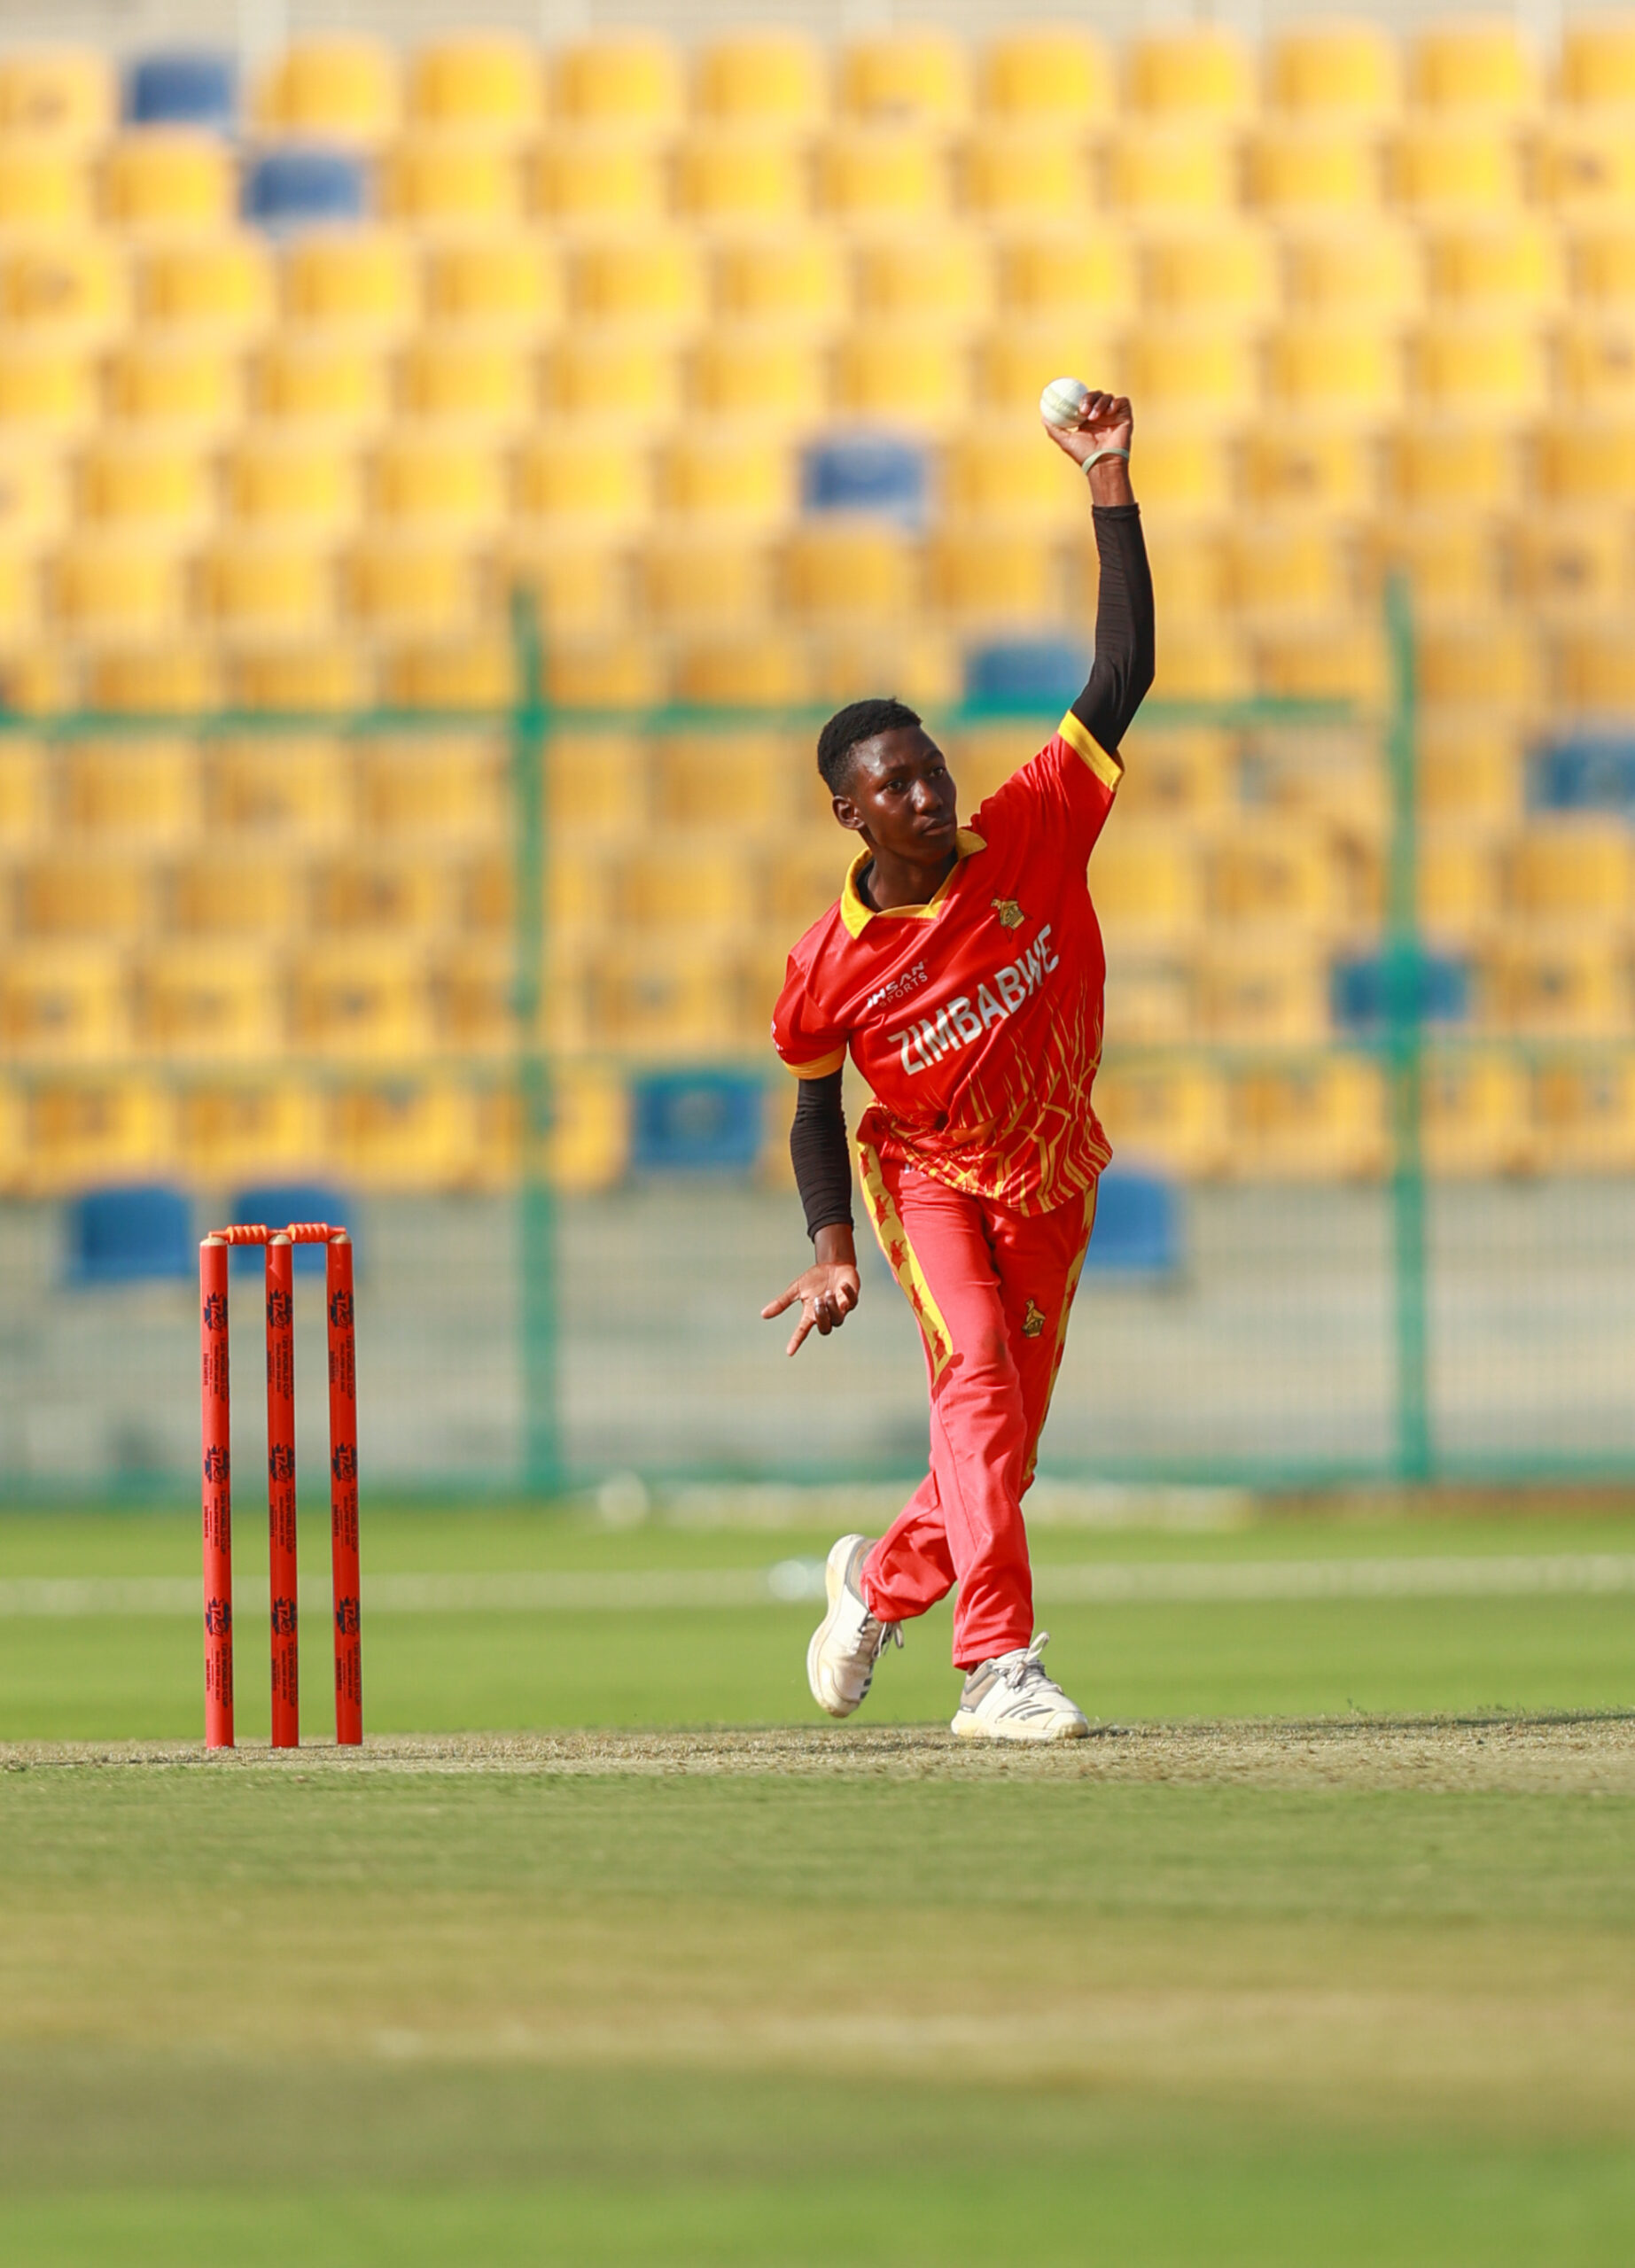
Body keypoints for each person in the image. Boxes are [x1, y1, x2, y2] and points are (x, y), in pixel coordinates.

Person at [761, 390, 1155, 1743]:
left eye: (932, 770)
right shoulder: (828, 961)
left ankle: (877, 1584)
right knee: (973, 1383)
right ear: (849, 811)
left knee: (1003, 1445)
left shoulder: (1030, 829)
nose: (929, 795)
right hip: (929, 1182)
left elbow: (1120, 678)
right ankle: (996, 1669)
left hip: (1051, 1175)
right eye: (898, 784)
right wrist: (830, 1247)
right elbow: (817, 1106)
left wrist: (1105, 482)